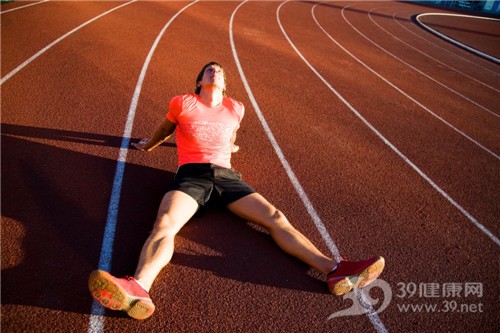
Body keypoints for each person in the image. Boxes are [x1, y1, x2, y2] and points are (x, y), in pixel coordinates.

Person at [88, 62, 385, 320]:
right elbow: (166, 129)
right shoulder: (183, 102)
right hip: (192, 175)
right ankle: (139, 288)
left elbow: (231, 133)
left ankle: (334, 270)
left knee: (275, 217)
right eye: (209, 69)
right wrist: (149, 145)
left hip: (228, 177)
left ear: (224, 85)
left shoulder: (236, 108)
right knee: (165, 224)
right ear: (199, 81)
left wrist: (230, 146)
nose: (214, 71)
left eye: (218, 71)